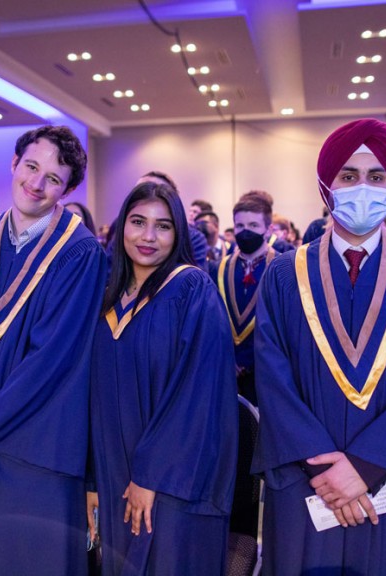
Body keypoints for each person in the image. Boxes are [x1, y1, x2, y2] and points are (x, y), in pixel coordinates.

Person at [252, 118, 386, 575]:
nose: (361, 187)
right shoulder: (285, 274)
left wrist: (364, 468)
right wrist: (325, 471)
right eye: (348, 176)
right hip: (306, 479)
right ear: (326, 186)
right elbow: (272, 376)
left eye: (376, 177)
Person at [0, 125, 107, 575]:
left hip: (31, 448)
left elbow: (52, 357)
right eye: (31, 166)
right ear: (14, 164)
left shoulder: (80, 253)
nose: (36, 183)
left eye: (53, 178)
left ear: (66, 189)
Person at [90, 181, 237, 575]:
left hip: (174, 481)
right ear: (121, 227)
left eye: (164, 225)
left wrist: (151, 476)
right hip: (113, 472)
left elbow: (198, 395)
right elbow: (91, 397)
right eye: (138, 222)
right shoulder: (107, 296)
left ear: (179, 234)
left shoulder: (192, 290)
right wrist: (92, 478)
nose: (148, 237)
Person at [213, 193, 276, 407]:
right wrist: (229, 357)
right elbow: (214, 319)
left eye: (253, 225)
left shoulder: (283, 267)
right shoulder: (219, 268)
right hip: (225, 367)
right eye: (239, 225)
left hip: (265, 370)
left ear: (268, 229)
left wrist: (249, 359)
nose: (245, 231)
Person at [137, 172, 208, 269]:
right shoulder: (123, 231)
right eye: (137, 222)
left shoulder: (193, 238)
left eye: (163, 227)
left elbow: (195, 280)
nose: (148, 237)